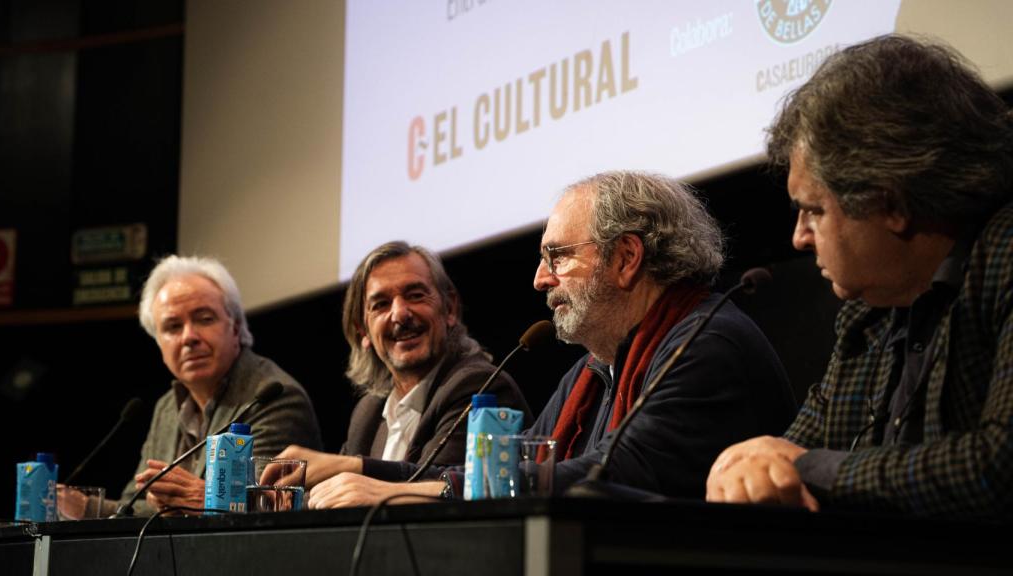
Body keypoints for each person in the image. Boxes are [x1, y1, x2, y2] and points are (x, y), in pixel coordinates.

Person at [301, 171, 796, 508]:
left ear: (626, 259)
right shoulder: (592, 369)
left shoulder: (707, 345)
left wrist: (401, 494)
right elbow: (505, 469)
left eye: (557, 257)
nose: (540, 279)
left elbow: (608, 475)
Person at [706, 35, 1013, 519]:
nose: (799, 239)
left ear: (888, 202)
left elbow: (998, 467)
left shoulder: (1005, 256)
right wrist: (745, 467)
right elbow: (788, 454)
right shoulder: (867, 313)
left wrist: (812, 470)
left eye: (814, 211)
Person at [277, 242, 532, 486]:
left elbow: (442, 487)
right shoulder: (368, 412)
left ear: (450, 308)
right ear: (362, 331)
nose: (400, 314)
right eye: (381, 304)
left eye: (415, 295)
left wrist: (351, 467)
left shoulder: (480, 387)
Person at [92, 255, 323, 516]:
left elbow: (268, 506)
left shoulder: (272, 396)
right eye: (173, 326)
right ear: (159, 343)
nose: (189, 337)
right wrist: (86, 505)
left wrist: (201, 498)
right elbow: (135, 506)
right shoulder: (167, 407)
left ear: (235, 327)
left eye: (204, 319)